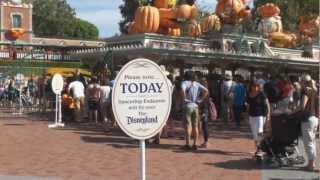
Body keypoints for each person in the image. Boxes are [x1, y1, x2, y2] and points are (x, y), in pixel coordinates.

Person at [182, 71, 208, 150]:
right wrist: (200, 99)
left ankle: (187, 144)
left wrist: (184, 99)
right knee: (195, 125)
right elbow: (206, 90)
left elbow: (182, 90)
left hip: (188, 105)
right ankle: (195, 144)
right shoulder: (196, 83)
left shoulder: (184, 83)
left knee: (188, 125)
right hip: (196, 106)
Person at [299, 74, 318, 171]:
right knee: (312, 142)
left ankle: (311, 164)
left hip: (307, 119)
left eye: (300, 80)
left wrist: (293, 111)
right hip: (314, 118)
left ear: (303, 81)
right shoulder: (314, 90)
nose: (299, 82)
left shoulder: (305, 91)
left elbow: (302, 107)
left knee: (308, 142)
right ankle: (312, 163)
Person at [246, 82, 270, 156]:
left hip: (260, 115)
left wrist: (268, 114)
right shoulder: (249, 94)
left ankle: (260, 148)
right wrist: (247, 114)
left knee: (260, 131)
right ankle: (257, 148)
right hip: (251, 116)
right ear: (251, 87)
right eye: (254, 86)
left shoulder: (262, 94)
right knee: (254, 133)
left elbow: (267, 104)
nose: (255, 88)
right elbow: (248, 105)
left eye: (257, 86)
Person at [199, 77, 210, 148]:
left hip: (203, 110)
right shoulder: (207, 91)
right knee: (205, 126)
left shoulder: (202, 92)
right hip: (205, 109)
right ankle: (206, 141)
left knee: (204, 126)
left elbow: (201, 102)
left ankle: (206, 142)